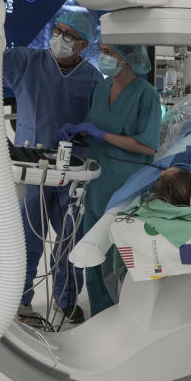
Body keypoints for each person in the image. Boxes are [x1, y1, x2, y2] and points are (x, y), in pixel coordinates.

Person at [3, 3, 102, 325]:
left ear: (84, 44)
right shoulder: (26, 62)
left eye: (69, 35)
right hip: (32, 164)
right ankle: (20, 301)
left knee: (69, 237)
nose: (59, 38)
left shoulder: (92, 78)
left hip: (70, 167)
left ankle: (66, 298)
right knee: (27, 236)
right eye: (57, 31)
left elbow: (95, 122)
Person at [60, 44, 162, 316]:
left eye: (110, 51)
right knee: (93, 252)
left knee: (120, 256)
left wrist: (102, 135)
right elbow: (96, 126)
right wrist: (80, 133)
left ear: (128, 58)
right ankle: (99, 314)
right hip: (97, 180)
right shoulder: (103, 88)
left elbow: (148, 145)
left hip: (126, 186)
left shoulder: (146, 95)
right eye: (102, 50)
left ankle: (124, 315)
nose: (104, 56)